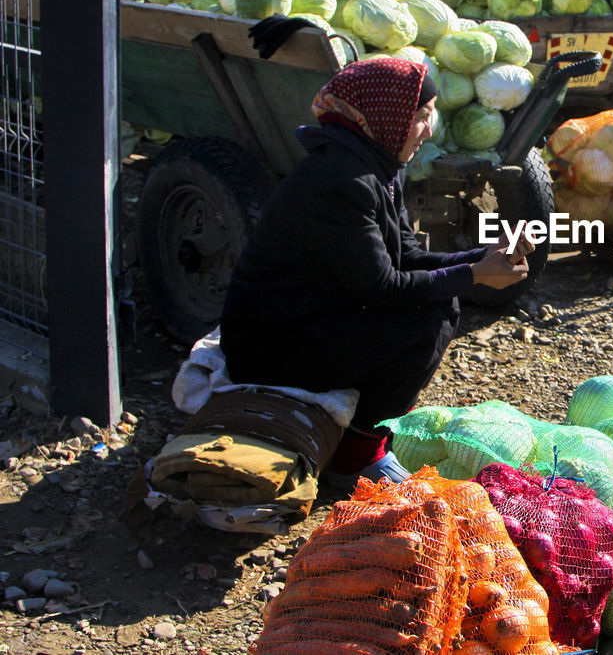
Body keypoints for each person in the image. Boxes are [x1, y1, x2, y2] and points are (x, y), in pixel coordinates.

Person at [219, 58, 533, 488]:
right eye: (419, 118)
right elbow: (383, 290)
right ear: (385, 118)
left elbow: (404, 257)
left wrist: (483, 255)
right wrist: (476, 274)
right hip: (270, 346)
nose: (428, 130)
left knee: (439, 302)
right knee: (427, 321)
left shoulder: (379, 169)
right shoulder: (338, 181)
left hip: (315, 315)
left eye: (430, 116)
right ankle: (352, 458)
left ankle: (358, 438)